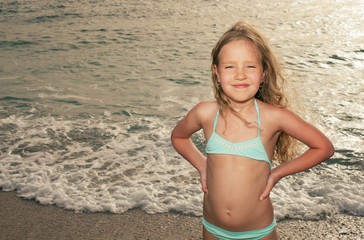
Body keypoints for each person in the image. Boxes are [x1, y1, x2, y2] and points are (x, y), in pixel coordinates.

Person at [171, 21, 335, 240]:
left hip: (259, 233)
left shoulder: (274, 116)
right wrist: (203, 166)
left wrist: (276, 174)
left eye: (250, 66)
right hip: (213, 229)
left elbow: (323, 147)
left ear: (264, 73)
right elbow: (179, 136)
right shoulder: (206, 113)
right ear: (217, 73)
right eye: (230, 66)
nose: (240, 75)